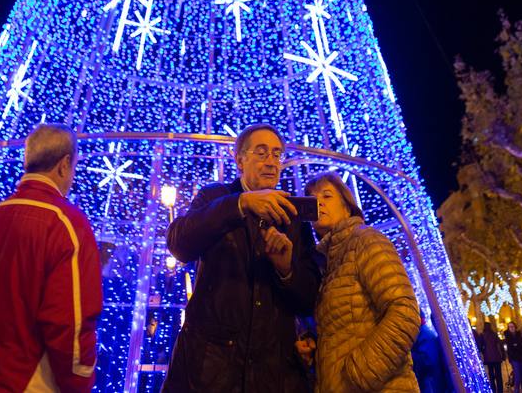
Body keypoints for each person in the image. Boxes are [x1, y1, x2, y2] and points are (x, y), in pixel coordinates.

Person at [162, 122, 320, 392]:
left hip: (271, 373)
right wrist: (240, 203)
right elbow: (179, 244)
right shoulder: (216, 196)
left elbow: (309, 299)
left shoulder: (294, 217)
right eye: (261, 152)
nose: (271, 161)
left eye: (276, 154)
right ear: (239, 160)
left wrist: (286, 270)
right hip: (210, 370)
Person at [0, 123, 102, 392]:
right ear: (65, 165)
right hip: (23, 381)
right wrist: (79, 382)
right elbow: (70, 324)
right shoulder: (68, 225)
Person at [305, 171, 420, 392]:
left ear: (347, 206)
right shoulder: (329, 264)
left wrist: (360, 373)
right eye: (312, 199)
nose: (318, 203)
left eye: (327, 196)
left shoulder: (366, 240)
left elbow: (404, 311)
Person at [481, 321, 505, 393]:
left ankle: (493, 390)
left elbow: (482, 347)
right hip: (497, 357)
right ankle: (500, 390)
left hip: (488, 358)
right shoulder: (494, 334)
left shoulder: (482, 335)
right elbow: (500, 345)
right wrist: (503, 355)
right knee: (498, 375)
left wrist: (483, 353)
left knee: (491, 376)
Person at [504, 321, 522, 393]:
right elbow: (509, 348)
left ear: (515, 327)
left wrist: (516, 345)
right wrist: (517, 346)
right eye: (510, 327)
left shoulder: (519, 335)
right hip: (514, 359)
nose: (511, 328)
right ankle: (516, 391)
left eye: (512, 326)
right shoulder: (507, 337)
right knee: (518, 377)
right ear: (508, 328)